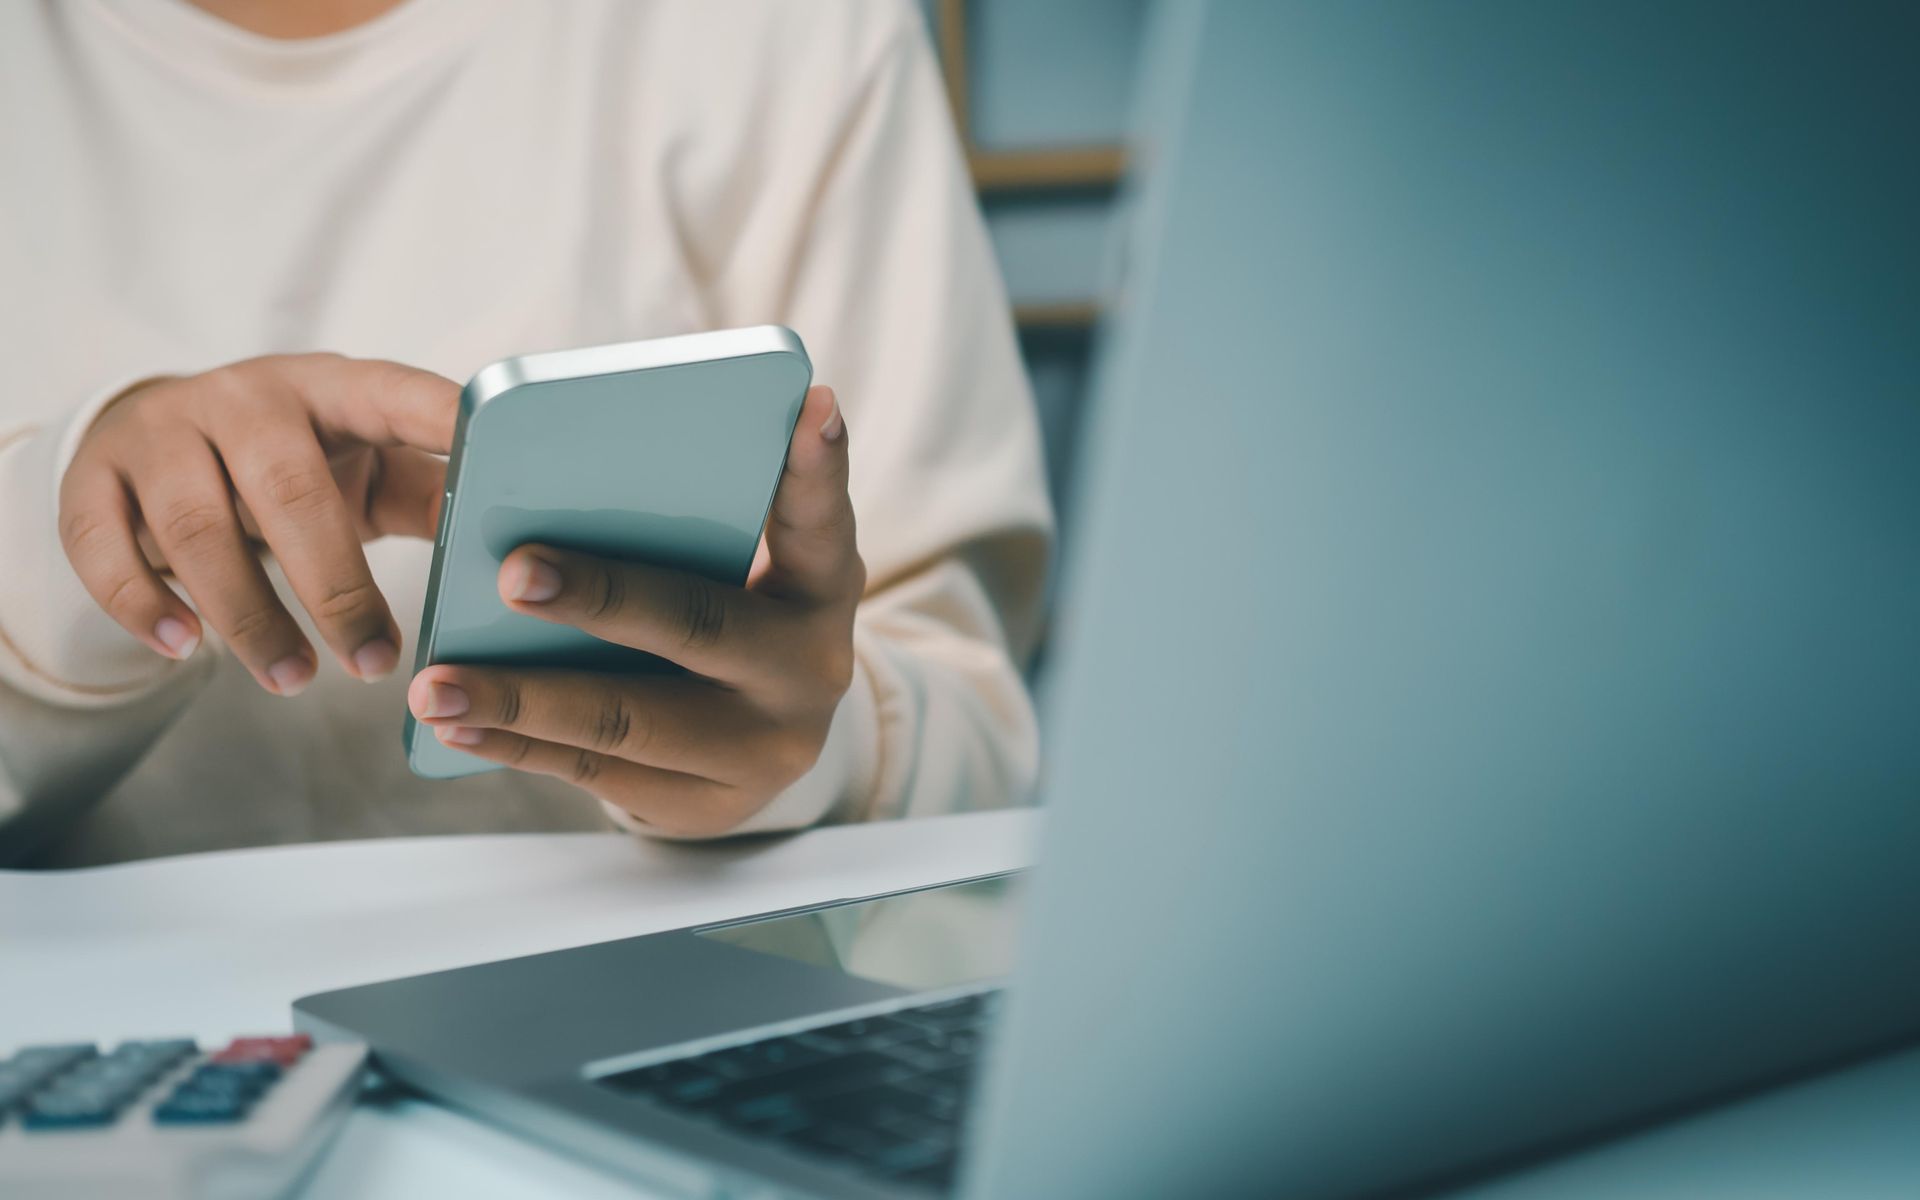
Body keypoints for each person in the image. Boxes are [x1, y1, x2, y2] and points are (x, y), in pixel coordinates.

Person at [0, 0, 1050, 866]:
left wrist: (815, 746)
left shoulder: (788, 33)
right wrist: (66, 568)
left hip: (649, 1036)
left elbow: (984, 751)